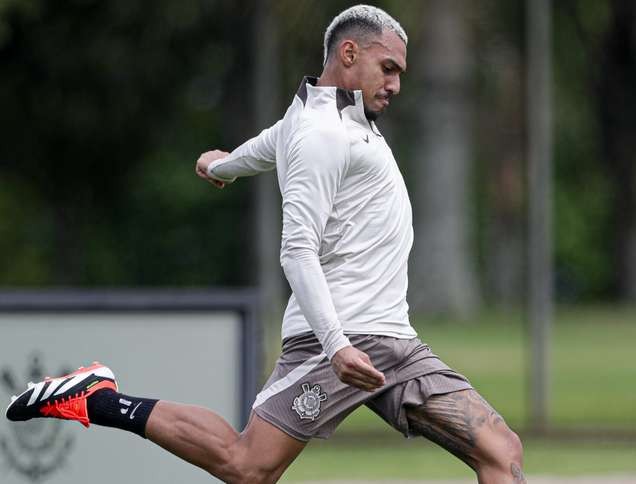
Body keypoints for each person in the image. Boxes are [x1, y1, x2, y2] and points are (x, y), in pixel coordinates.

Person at [6, 5, 525, 484]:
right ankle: (97, 400)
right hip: (342, 339)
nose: (394, 84)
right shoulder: (322, 134)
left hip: (394, 342)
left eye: (399, 74)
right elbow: (296, 251)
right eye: (387, 68)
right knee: (247, 465)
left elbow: (270, 141)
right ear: (349, 53)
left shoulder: (326, 117)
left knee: (500, 452)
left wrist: (223, 165)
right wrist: (336, 345)